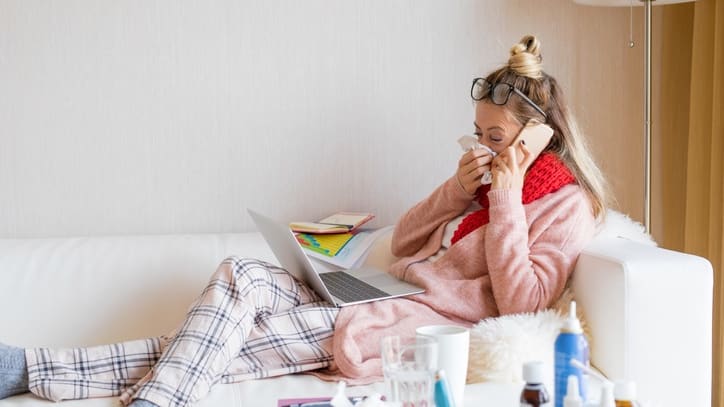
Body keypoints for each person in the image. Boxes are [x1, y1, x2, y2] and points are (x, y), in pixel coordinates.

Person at [0, 34, 607, 407]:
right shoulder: (483, 184)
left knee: (225, 345)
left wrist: (505, 198)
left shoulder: (564, 207)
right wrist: (460, 187)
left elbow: (523, 300)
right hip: (380, 294)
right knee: (243, 273)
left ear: (537, 137)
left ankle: (34, 371)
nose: (482, 148)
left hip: (408, 327)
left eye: (496, 138)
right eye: (476, 134)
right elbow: (405, 242)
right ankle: (34, 370)